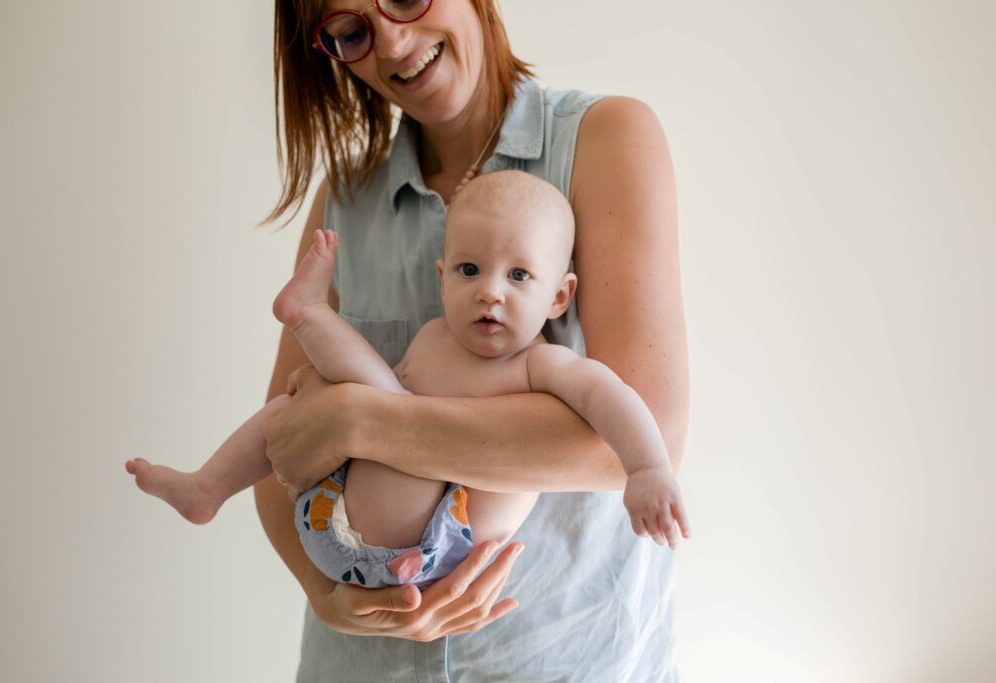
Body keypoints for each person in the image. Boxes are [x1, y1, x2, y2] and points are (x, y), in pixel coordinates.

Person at [257, 0, 689, 680]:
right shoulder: (343, 201)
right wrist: (330, 596)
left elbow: (640, 438)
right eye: (351, 32)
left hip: (565, 661)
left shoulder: (606, 139)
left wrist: (359, 419)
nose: (394, 46)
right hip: (361, 664)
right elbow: (282, 450)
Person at [124, 170, 689, 593]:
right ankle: (209, 486)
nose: (490, 290)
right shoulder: (434, 338)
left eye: (519, 275)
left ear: (559, 297)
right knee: (299, 405)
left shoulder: (538, 365)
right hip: (326, 512)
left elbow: (611, 397)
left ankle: (313, 316)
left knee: (375, 403)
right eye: (470, 270)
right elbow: (357, 417)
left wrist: (646, 468)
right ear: (442, 278)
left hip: (426, 550)